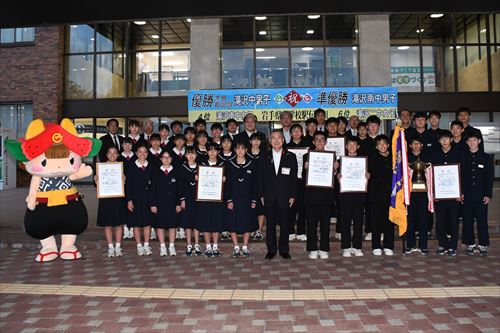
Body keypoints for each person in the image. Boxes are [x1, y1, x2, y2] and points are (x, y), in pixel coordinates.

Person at [258, 130, 298, 260]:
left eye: (279, 138)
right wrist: (262, 194)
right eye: (273, 138)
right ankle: (271, 250)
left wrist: (293, 195)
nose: (276, 140)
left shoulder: (290, 156)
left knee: (285, 224)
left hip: (285, 196)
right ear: (270, 141)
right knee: (270, 225)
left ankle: (284, 250)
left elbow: (293, 178)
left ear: (283, 140)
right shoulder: (263, 156)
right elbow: (261, 178)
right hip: (269, 196)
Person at [431, 130, 464, 256]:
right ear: (439, 141)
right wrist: (433, 193)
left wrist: (460, 192)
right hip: (439, 196)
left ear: (451, 139)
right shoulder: (435, 155)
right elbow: (431, 175)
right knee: (440, 221)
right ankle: (442, 244)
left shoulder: (459, 154)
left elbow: (463, 174)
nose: (444, 141)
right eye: (442, 139)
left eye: (446, 139)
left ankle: (452, 246)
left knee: (453, 221)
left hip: (454, 195)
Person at [303, 132, 336, 259]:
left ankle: (324, 248)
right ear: (313, 142)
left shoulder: (332, 156)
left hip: (326, 196)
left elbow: (335, 178)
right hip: (311, 196)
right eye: (317, 139)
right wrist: (305, 168)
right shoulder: (307, 156)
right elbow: (302, 176)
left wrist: (335, 169)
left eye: (322, 139)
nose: (320, 142)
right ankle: (312, 248)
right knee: (311, 224)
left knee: (325, 225)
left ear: (326, 142)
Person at [461, 132, 493, 256]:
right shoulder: (464, 158)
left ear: (479, 141)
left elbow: (489, 178)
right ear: (467, 143)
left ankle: (483, 244)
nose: (472, 143)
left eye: (474, 140)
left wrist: (488, 194)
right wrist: (461, 193)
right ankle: (470, 243)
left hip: (481, 195)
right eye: (469, 140)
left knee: (482, 220)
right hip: (467, 195)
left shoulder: (486, 157)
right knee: (467, 220)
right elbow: (461, 177)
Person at [225, 142, 258, 257]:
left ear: (246, 150)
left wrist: (254, 200)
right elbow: (227, 184)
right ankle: (236, 247)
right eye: (238, 148)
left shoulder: (252, 164)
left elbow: (255, 183)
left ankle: (244, 247)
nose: (240, 151)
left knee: (247, 223)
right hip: (233, 199)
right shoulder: (229, 164)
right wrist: (228, 200)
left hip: (247, 199)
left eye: (242, 148)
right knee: (232, 223)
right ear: (234, 150)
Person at [338, 136, 368, 257]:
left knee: (358, 222)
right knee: (345, 222)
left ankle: (357, 247)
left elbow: (368, 177)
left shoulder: (363, 161)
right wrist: (337, 175)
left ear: (358, 146)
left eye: (354, 145)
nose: (351, 147)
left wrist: (368, 176)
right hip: (345, 196)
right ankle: (346, 247)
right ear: (346, 146)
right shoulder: (340, 161)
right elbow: (334, 178)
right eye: (349, 145)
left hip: (359, 195)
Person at [95, 146, 126, 257]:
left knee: (119, 224)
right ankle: (110, 247)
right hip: (106, 199)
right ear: (107, 155)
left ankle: (118, 247)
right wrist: (96, 180)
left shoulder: (122, 167)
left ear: (118, 155)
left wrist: (124, 180)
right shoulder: (101, 168)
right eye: (110, 153)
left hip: (118, 199)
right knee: (107, 224)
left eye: (115, 153)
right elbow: (97, 185)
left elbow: (127, 186)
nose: (112, 155)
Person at [150, 150, 182, 256]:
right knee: (160, 226)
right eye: (164, 157)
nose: (166, 159)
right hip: (159, 204)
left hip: (173, 204)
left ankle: (172, 246)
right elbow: (152, 189)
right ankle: (162, 246)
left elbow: (179, 190)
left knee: (172, 225)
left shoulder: (176, 171)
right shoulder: (156, 172)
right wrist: (153, 204)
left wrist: (178, 204)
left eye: (168, 157)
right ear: (161, 159)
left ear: (172, 159)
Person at [196, 143, 226, 257]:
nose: (212, 153)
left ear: (218, 152)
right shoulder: (202, 165)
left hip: (218, 199)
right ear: (207, 152)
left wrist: (224, 179)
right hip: (205, 199)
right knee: (206, 222)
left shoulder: (223, 164)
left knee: (216, 222)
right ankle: (208, 246)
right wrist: (197, 178)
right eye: (210, 150)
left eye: (214, 150)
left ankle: (215, 246)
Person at [125, 144, 155, 256]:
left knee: (147, 223)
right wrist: (129, 200)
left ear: (147, 154)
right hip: (135, 199)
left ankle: (146, 245)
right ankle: (139, 246)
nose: (142, 154)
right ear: (136, 153)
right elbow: (128, 185)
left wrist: (153, 202)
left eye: (145, 152)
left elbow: (154, 186)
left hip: (148, 199)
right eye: (140, 152)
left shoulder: (152, 167)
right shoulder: (131, 167)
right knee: (136, 223)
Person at [367, 135, 394, 256]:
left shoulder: (394, 159)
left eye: (384, 143)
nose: (382, 146)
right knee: (376, 220)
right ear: (376, 146)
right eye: (379, 144)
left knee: (389, 221)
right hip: (376, 194)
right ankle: (376, 245)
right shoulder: (372, 159)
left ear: (388, 145)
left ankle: (388, 245)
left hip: (391, 195)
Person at [405, 137, 431, 255]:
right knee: (410, 220)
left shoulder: (427, 158)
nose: (416, 146)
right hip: (410, 193)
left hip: (424, 193)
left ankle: (423, 245)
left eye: (418, 144)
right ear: (410, 146)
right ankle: (410, 245)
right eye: (413, 144)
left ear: (422, 145)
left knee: (423, 220)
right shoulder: (406, 158)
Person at [178, 147, 202, 256]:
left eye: (193, 154)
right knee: (188, 224)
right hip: (187, 199)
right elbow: (180, 186)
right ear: (185, 155)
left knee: (197, 222)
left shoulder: (201, 167)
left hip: (198, 199)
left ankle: (197, 244)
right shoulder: (182, 168)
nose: (191, 156)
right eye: (188, 154)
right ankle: (188, 245)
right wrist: (182, 200)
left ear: (196, 155)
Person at [286, 123, 307, 242]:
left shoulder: (308, 147)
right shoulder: (286, 148)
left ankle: (301, 231)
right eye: (294, 131)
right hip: (291, 182)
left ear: (302, 133)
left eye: (299, 131)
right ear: (290, 133)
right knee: (290, 207)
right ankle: (290, 231)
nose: (297, 133)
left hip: (304, 181)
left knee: (303, 208)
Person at [249, 133, 266, 241]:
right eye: (254, 140)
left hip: (262, 185)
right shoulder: (245, 154)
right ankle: (251, 229)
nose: (256, 142)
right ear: (250, 141)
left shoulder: (265, 155)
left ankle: (259, 230)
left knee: (261, 209)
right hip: (248, 186)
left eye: (258, 140)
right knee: (250, 208)